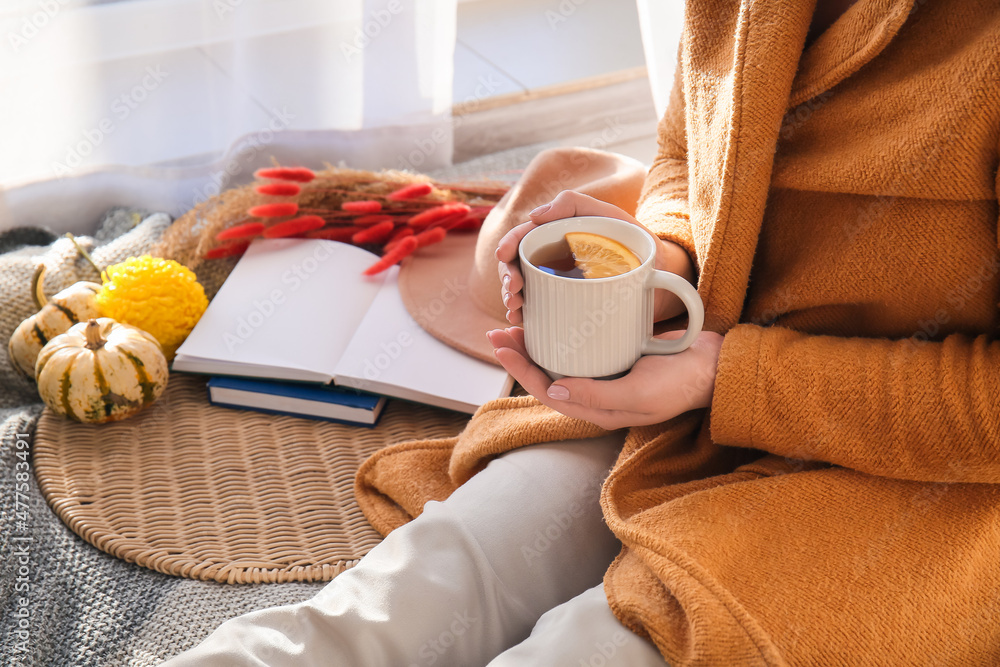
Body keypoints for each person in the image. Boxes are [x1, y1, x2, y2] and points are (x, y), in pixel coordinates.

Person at [165, 0, 1000, 664]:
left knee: (593, 647)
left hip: (931, 481)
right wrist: (653, 267)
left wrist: (731, 376)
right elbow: (689, 148)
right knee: (410, 594)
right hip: (691, 387)